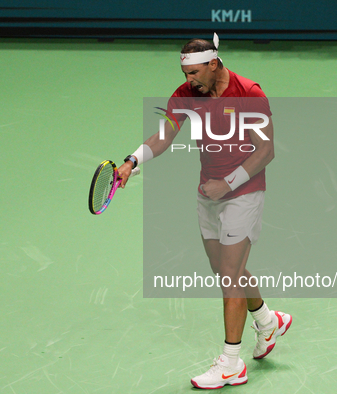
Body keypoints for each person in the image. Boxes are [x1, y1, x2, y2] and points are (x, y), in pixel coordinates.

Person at [118, 33, 292, 390]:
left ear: (214, 64)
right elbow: (164, 135)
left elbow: (266, 151)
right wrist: (132, 161)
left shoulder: (249, 94)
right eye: (185, 73)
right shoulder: (186, 96)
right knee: (226, 268)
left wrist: (227, 184)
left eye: (195, 72)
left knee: (229, 273)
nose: (189, 80)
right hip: (208, 191)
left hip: (243, 190)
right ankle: (267, 318)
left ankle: (231, 364)